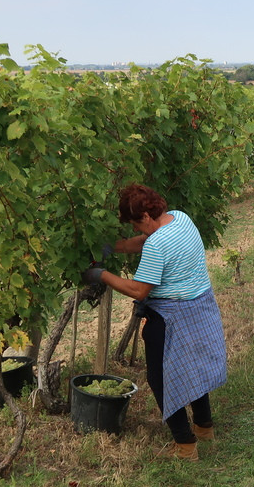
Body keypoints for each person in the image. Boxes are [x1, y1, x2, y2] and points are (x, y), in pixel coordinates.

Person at [81, 184, 227, 461]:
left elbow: (139, 290)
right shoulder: (179, 218)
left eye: (136, 224)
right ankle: (204, 427)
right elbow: (143, 241)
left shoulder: (158, 244)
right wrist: (111, 248)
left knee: (159, 378)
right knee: (194, 368)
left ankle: (185, 445)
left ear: (146, 217)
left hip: (171, 317)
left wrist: (102, 275)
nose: (137, 230)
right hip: (199, 308)